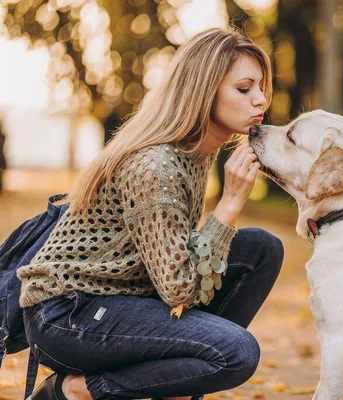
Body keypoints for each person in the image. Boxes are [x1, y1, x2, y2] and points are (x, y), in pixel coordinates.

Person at [17, 27, 284, 400]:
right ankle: (75, 391)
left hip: (127, 301)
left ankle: (177, 387)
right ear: (204, 90)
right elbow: (178, 288)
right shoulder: (156, 167)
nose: (260, 100)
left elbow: (178, 262)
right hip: (68, 316)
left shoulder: (195, 154)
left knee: (261, 250)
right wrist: (230, 202)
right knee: (237, 352)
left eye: (261, 88)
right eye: (244, 89)